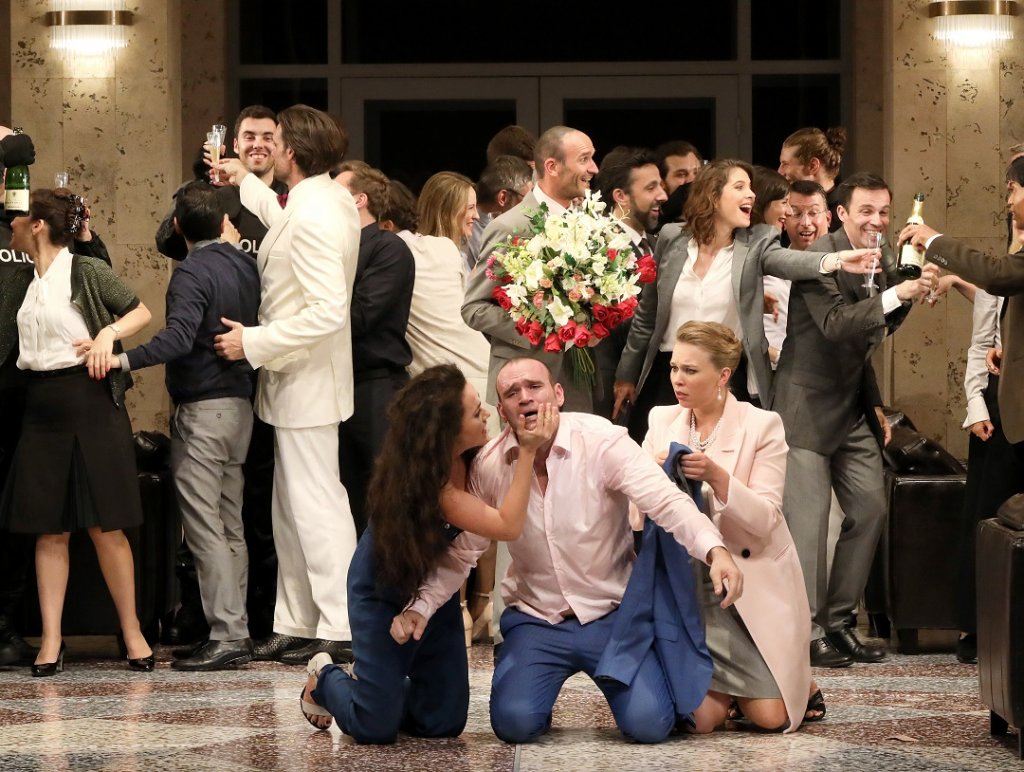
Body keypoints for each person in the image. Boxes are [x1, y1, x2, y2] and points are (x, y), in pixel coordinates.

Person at [391, 357, 745, 745]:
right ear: (503, 412)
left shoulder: (602, 440)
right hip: (536, 618)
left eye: (534, 387)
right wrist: (420, 606)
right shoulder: (490, 466)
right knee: (514, 724)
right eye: (512, 393)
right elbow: (463, 553)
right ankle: (529, 681)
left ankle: (640, 671)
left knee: (649, 725)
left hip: (613, 616)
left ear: (558, 394)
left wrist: (716, 551)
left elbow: (666, 502)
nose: (525, 398)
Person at [298, 364, 555, 743]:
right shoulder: (432, 485)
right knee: (374, 729)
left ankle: (377, 689)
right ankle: (326, 678)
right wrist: (529, 451)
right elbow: (507, 526)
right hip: (383, 592)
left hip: (438, 587)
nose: (485, 411)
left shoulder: (475, 459)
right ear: (448, 432)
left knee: (443, 723)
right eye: (473, 411)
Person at [213, 105, 361, 665]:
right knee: (290, 507)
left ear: (291, 152)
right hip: (297, 378)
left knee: (317, 503)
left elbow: (327, 311)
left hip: (307, 378)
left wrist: (253, 342)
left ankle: (342, 621)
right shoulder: (319, 198)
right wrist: (245, 183)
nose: (267, 146)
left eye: (275, 139)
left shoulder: (320, 212)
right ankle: (299, 619)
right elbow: (282, 224)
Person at [778, 173, 936, 667]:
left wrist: (911, 289)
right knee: (806, 528)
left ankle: (840, 620)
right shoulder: (816, 260)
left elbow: (875, 333)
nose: (878, 221)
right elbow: (835, 325)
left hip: (852, 406)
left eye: (885, 212)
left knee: (870, 510)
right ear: (841, 213)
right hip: (805, 407)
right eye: (866, 211)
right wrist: (898, 294)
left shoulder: (886, 256)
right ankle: (804, 634)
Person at [613, 159, 879, 443]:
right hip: (668, 375)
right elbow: (646, 315)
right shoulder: (671, 238)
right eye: (740, 187)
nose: (751, 195)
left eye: (751, 188)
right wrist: (626, 375)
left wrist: (836, 260)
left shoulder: (758, 241)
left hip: (725, 377)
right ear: (713, 197)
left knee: (721, 470)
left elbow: (789, 261)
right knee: (661, 468)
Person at [0, 189, 153, 675]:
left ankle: (132, 633)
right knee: (50, 529)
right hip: (40, 407)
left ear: (39, 225)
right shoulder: (20, 281)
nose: (13, 225)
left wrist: (108, 334)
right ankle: (50, 640)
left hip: (89, 402)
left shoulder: (84, 270)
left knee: (106, 526)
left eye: (20, 218)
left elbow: (140, 310)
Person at [110, 181, 261, 671]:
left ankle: (227, 633)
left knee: (203, 529)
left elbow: (176, 340)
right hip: (241, 407)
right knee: (230, 523)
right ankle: (233, 628)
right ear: (224, 224)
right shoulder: (244, 263)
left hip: (203, 411)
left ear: (177, 227)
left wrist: (123, 359)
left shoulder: (190, 272)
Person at [642, 321, 819, 732]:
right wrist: (650, 476)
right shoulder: (660, 420)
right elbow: (636, 510)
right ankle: (723, 694)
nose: (677, 380)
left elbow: (766, 519)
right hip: (687, 584)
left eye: (690, 370)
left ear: (722, 375)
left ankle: (799, 684)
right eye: (674, 368)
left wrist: (719, 477)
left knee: (772, 719)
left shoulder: (762, 425)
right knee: (700, 721)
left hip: (748, 583)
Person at [399, 171, 497, 641]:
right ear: (449, 210)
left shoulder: (408, 250)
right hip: (475, 383)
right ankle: (483, 603)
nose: (475, 216)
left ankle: (455, 606)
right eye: (469, 208)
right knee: (485, 494)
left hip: (442, 391)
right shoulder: (441, 253)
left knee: (450, 499)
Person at [462, 125, 600, 413]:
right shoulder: (511, 226)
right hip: (523, 382)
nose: (594, 169)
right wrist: (539, 329)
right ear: (551, 166)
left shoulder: (587, 222)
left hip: (576, 381)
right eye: (584, 159)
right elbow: (474, 307)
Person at [334, 161, 416, 536]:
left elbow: (361, 316)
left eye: (335, 193)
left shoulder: (388, 248)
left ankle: (385, 589)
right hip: (334, 384)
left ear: (358, 200)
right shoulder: (334, 249)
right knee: (343, 496)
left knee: (379, 496)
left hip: (375, 387)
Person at [777, 127, 847, 229]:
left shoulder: (846, 219)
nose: (780, 171)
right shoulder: (784, 210)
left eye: (785, 164)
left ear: (813, 166)